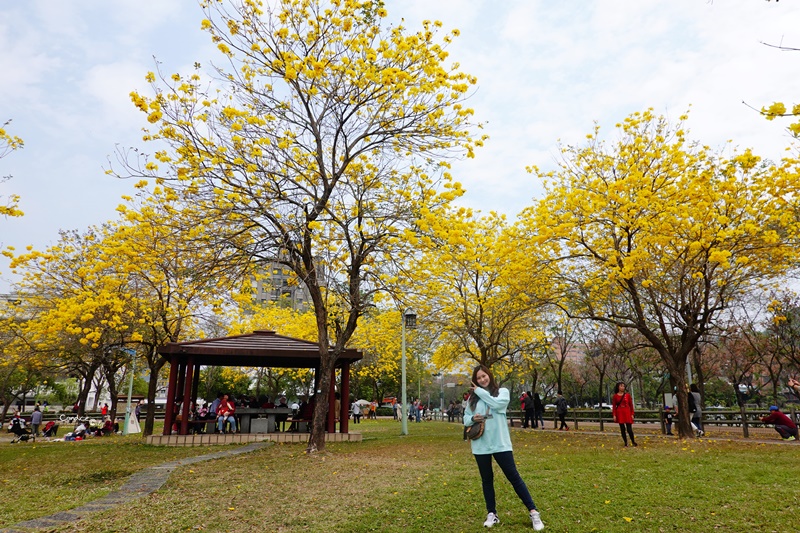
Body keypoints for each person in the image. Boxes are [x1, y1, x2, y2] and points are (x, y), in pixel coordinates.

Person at [464, 365, 545, 530]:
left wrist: (479, 391)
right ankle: (492, 513)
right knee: (487, 480)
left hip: (500, 443)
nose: (482, 380)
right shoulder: (472, 399)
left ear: (490, 375)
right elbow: (465, 419)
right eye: (478, 378)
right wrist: (473, 417)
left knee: (514, 477)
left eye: (484, 376)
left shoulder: (502, 392)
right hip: (481, 444)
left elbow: (497, 405)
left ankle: (533, 512)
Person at [611, 382, 637, 447]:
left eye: (623, 386)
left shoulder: (627, 395)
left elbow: (631, 405)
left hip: (627, 412)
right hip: (620, 412)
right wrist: (614, 415)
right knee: (622, 429)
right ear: (618, 387)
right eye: (621, 386)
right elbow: (614, 406)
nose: (623, 387)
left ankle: (633, 441)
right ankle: (625, 442)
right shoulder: (615, 396)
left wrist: (632, 414)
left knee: (629, 429)